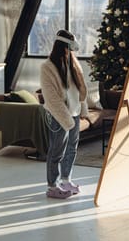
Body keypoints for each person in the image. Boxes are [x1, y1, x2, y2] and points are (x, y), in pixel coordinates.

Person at [40, 30, 88, 199]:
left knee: (71, 149)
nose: (72, 51)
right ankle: (52, 186)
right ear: (63, 47)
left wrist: (83, 109)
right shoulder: (48, 67)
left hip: (74, 112)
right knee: (56, 151)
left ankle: (66, 180)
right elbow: (51, 98)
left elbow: (80, 89)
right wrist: (66, 119)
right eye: (70, 48)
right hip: (58, 115)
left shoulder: (73, 64)